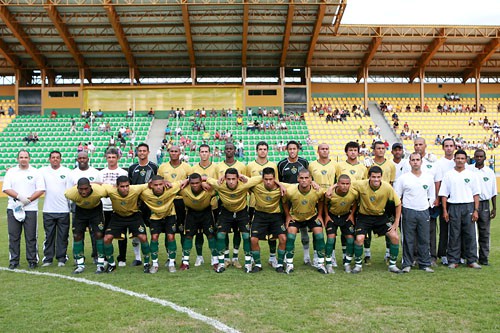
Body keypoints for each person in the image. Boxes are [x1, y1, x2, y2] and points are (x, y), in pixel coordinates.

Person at [207, 168, 263, 273]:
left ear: (238, 178)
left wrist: (243, 176)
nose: (231, 181)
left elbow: (262, 178)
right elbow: (205, 178)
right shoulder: (219, 184)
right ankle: (221, 263)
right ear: (225, 179)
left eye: (234, 178)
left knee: (246, 236)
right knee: (220, 235)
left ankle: (248, 264)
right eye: (228, 179)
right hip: (226, 212)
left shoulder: (244, 184)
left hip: (241, 212)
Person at [350, 166, 402, 274]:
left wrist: (396, 221)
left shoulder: (387, 187)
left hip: (380, 217)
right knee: (359, 238)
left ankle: (392, 265)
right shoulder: (361, 184)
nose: (376, 179)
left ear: (381, 177)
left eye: (378, 177)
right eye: (373, 177)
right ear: (369, 177)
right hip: (364, 217)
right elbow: (345, 182)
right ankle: (358, 265)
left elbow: (398, 204)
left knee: (395, 237)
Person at [438, 150, 481, 270]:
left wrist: (476, 210)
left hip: (468, 206)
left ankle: (471, 260)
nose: (460, 160)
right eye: (458, 158)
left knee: (470, 234)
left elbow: (476, 194)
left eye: (462, 158)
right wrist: (445, 211)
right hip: (454, 206)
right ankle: (453, 260)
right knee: (454, 235)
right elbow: (444, 195)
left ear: (466, 160)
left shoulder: (471, 175)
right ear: (454, 160)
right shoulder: (448, 175)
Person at [3, 150, 45, 269]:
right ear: (17, 159)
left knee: (31, 236)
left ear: (29, 159)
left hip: (30, 209)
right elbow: (6, 188)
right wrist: (20, 197)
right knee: (14, 236)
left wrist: (29, 200)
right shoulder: (11, 172)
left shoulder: (35, 172)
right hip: (13, 208)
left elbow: (41, 189)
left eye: (26, 157)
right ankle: (14, 261)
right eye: (21, 157)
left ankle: (32, 260)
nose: (23, 159)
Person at [394, 153, 435, 273]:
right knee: (408, 239)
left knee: (424, 239)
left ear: (421, 162)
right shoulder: (403, 178)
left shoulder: (428, 177)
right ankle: (407, 263)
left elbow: (432, 195)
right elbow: (397, 197)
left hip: (423, 211)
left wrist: (427, 206)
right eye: (413, 160)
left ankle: (424, 264)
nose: (415, 162)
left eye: (418, 160)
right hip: (408, 211)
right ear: (409, 162)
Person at [102, 176, 151, 273]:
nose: (125, 189)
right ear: (117, 186)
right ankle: (111, 264)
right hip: (118, 216)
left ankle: (146, 263)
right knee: (107, 238)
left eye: (127, 186)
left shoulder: (136, 189)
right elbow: (98, 185)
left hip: (134, 216)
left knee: (143, 237)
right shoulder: (110, 190)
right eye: (122, 186)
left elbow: (150, 183)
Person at [283, 169, 327, 274]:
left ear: (311, 179)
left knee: (320, 235)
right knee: (290, 236)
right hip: (296, 217)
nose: (304, 180)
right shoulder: (290, 191)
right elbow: (284, 202)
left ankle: (320, 264)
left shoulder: (318, 190)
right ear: (298, 179)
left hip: (311, 216)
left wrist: (320, 215)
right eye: (301, 178)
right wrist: (288, 216)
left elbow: (321, 199)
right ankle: (289, 264)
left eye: (306, 178)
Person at [123, 143, 158, 267]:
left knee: (154, 231)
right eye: (140, 151)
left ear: (148, 152)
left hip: (150, 204)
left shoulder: (154, 167)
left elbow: (157, 184)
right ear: (137, 152)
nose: (142, 153)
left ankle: (154, 257)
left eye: (144, 150)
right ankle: (138, 258)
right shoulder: (132, 168)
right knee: (136, 232)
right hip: (136, 205)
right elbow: (129, 186)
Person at [277, 140, 312, 265]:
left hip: (302, 198)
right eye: (290, 149)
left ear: (298, 150)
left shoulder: (304, 162)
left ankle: (307, 256)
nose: (292, 151)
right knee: (288, 227)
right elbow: (279, 183)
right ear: (287, 150)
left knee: (304, 228)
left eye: (294, 149)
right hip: (288, 200)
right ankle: (287, 256)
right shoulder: (281, 164)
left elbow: (308, 178)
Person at [157, 145, 192, 266]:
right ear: (168, 152)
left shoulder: (187, 167)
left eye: (176, 151)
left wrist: (187, 180)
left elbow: (192, 181)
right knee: (168, 231)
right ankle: (169, 256)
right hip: (168, 201)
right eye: (171, 151)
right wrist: (163, 181)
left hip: (181, 201)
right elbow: (157, 182)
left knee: (183, 230)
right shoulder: (162, 167)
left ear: (180, 153)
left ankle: (184, 257)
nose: (174, 153)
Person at [246, 141, 279, 267]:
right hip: (254, 204)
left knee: (272, 234)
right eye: (260, 149)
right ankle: (254, 258)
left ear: (268, 151)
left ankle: (272, 257)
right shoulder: (250, 166)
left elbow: (277, 184)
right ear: (256, 150)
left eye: (265, 149)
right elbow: (248, 184)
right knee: (253, 234)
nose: (262, 151)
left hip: (271, 205)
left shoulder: (273, 165)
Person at [140, 175, 182, 273]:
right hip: (155, 217)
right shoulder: (145, 193)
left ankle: (171, 263)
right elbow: (133, 189)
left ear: (164, 184)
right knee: (154, 237)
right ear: (151, 185)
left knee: (171, 237)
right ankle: (154, 264)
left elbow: (186, 181)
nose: (158, 187)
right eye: (156, 185)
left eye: (160, 184)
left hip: (170, 215)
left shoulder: (171, 188)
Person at [65, 178, 108, 274]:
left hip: (95, 210)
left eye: (86, 189)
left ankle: (101, 263)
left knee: (99, 234)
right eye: (81, 189)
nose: (83, 192)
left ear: (90, 187)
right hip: (81, 211)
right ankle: (80, 264)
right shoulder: (70, 194)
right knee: (77, 236)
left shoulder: (100, 191)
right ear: (77, 188)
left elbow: (110, 191)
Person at [363, 140, 396, 264]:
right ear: (374, 150)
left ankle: (388, 254)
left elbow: (391, 183)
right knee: (367, 228)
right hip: (369, 200)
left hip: (386, 201)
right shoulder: (368, 164)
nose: (381, 150)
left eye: (383, 148)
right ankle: (367, 255)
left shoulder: (391, 165)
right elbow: (365, 181)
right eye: (378, 148)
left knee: (388, 228)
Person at [249, 167, 287, 273]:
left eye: (271, 179)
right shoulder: (256, 186)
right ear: (262, 178)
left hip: (276, 216)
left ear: (275, 178)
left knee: (283, 238)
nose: (268, 182)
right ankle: (257, 264)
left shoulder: (281, 187)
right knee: (253, 239)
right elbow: (245, 181)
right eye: (266, 179)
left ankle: (279, 265)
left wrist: (280, 184)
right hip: (260, 215)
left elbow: (296, 185)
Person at [216, 143, 247, 268]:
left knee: (237, 232)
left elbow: (246, 182)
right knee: (224, 231)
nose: (229, 151)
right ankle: (226, 257)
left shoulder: (242, 166)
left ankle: (235, 257)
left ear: (235, 150)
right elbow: (214, 182)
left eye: (231, 149)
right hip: (224, 203)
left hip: (240, 204)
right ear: (224, 151)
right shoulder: (218, 166)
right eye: (227, 149)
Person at [179, 173, 218, 270]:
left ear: (201, 182)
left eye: (197, 183)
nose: (195, 185)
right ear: (189, 183)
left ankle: (215, 260)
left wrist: (207, 180)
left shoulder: (209, 189)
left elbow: (220, 185)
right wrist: (186, 180)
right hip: (191, 214)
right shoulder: (184, 189)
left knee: (210, 235)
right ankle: (185, 262)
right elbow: (170, 186)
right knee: (188, 236)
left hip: (206, 213)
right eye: (192, 183)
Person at [40, 151, 72, 268]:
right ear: (49, 159)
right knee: (49, 236)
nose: (55, 159)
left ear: (60, 159)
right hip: (48, 210)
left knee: (63, 236)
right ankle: (48, 258)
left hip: (63, 210)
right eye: (53, 157)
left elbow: (69, 191)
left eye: (57, 158)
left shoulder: (67, 172)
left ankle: (61, 258)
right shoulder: (42, 171)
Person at [308, 143, 338, 266]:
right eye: (322, 149)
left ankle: (332, 255)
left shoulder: (335, 165)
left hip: (331, 201)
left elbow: (340, 181)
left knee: (331, 229)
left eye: (326, 149)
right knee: (317, 229)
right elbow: (308, 179)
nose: (324, 151)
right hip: (316, 201)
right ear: (318, 151)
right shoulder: (312, 165)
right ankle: (316, 254)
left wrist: (332, 188)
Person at [190, 144, 219, 266]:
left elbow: (218, 185)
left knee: (212, 233)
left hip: (212, 205)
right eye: (202, 151)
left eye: (206, 151)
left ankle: (214, 257)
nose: (204, 154)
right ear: (199, 153)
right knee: (198, 233)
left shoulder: (216, 168)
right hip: (196, 205)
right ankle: (199, 256)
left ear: (210, 153)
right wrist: (202, 182)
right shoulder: (193, 168)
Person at [99, 148, 128, 266]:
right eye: (109, 157)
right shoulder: (100, 173)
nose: (111, 160)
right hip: (104, 207)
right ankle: (106, 257)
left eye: (113, 157)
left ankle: (122, 258)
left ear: (118, 158)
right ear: (106, 158)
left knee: (121, 234)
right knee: (105, 234)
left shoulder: (123, 172)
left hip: (118, 207)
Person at [324, 174, 357, 273]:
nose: (345, 186)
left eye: (347, 184)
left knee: (351, 240)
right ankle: (329, 264)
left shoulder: (353, 193)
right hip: (332, 216)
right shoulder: (331, 194)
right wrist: (327, 216)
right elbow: (325, 203)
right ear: (337, 184)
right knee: (331, 239)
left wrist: (352, 214)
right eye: (342, 183)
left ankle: (347, 263)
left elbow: (355, 202)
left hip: (345, 216)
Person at [468, 149, 497, 266]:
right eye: (477, 156)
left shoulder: (489, 172)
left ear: (485, 158)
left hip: (484, 204)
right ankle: (471, 258)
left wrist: (494, 208)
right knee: (470, 232)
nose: (479, 158)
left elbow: (494, 192)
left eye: (481, 156)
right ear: (474, 157)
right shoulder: (469, 170)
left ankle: (484, 258)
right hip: (470, 203)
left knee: (484, 232)